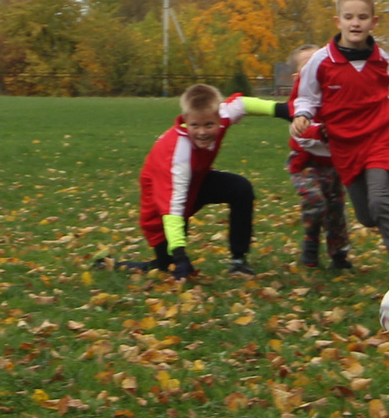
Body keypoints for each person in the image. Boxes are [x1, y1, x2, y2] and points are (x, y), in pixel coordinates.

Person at [291, 0, 389, 282]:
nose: (356, 23)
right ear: (338, 21)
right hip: (345, 146)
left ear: (373, 22)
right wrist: (303, 115)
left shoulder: (382, 58)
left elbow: (386, 97)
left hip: (380, 138)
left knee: (380, 204)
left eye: (363, 17)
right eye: (349, 17)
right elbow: (306, 97)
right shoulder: (320, 61)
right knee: (368, 217)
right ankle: (380, 203)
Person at [116, 82, 291, 280]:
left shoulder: (221, 115)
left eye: (209, 125)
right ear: (185, 121)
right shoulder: (177, 153)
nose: (202, 132)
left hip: (195, 183)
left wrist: (283, 110)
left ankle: (238, 261)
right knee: (167, 267)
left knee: (240, 188)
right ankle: (118, 266)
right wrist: (180, 256)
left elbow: (241, 104)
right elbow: (172, 209)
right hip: (161, 207)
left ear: (219, 119)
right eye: (195, 126)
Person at [280, 48, 353, 271]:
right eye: (308, 65)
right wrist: (323, 131)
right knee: (315, 199)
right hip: (305, 163)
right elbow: (301, 130)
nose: (316, 69)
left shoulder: (335, 92)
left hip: (334, 164)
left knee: (335, 208)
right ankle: (311, 242)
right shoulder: (299, 99)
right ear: (298, 77)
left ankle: (339, 254)